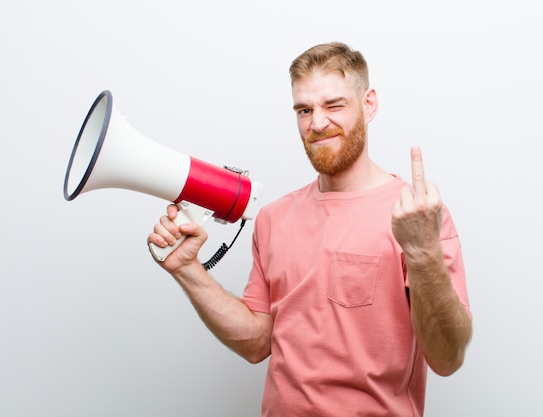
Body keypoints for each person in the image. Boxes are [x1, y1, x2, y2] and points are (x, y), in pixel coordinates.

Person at [148, 41, 472, 417]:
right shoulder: (273, 218)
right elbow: (257, 343)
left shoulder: (417, 216)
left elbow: (448, 357)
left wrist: (423, 252)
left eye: (334, 105)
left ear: (368, 104)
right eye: (304, 109)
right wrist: (188, 272)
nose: (317, 123)